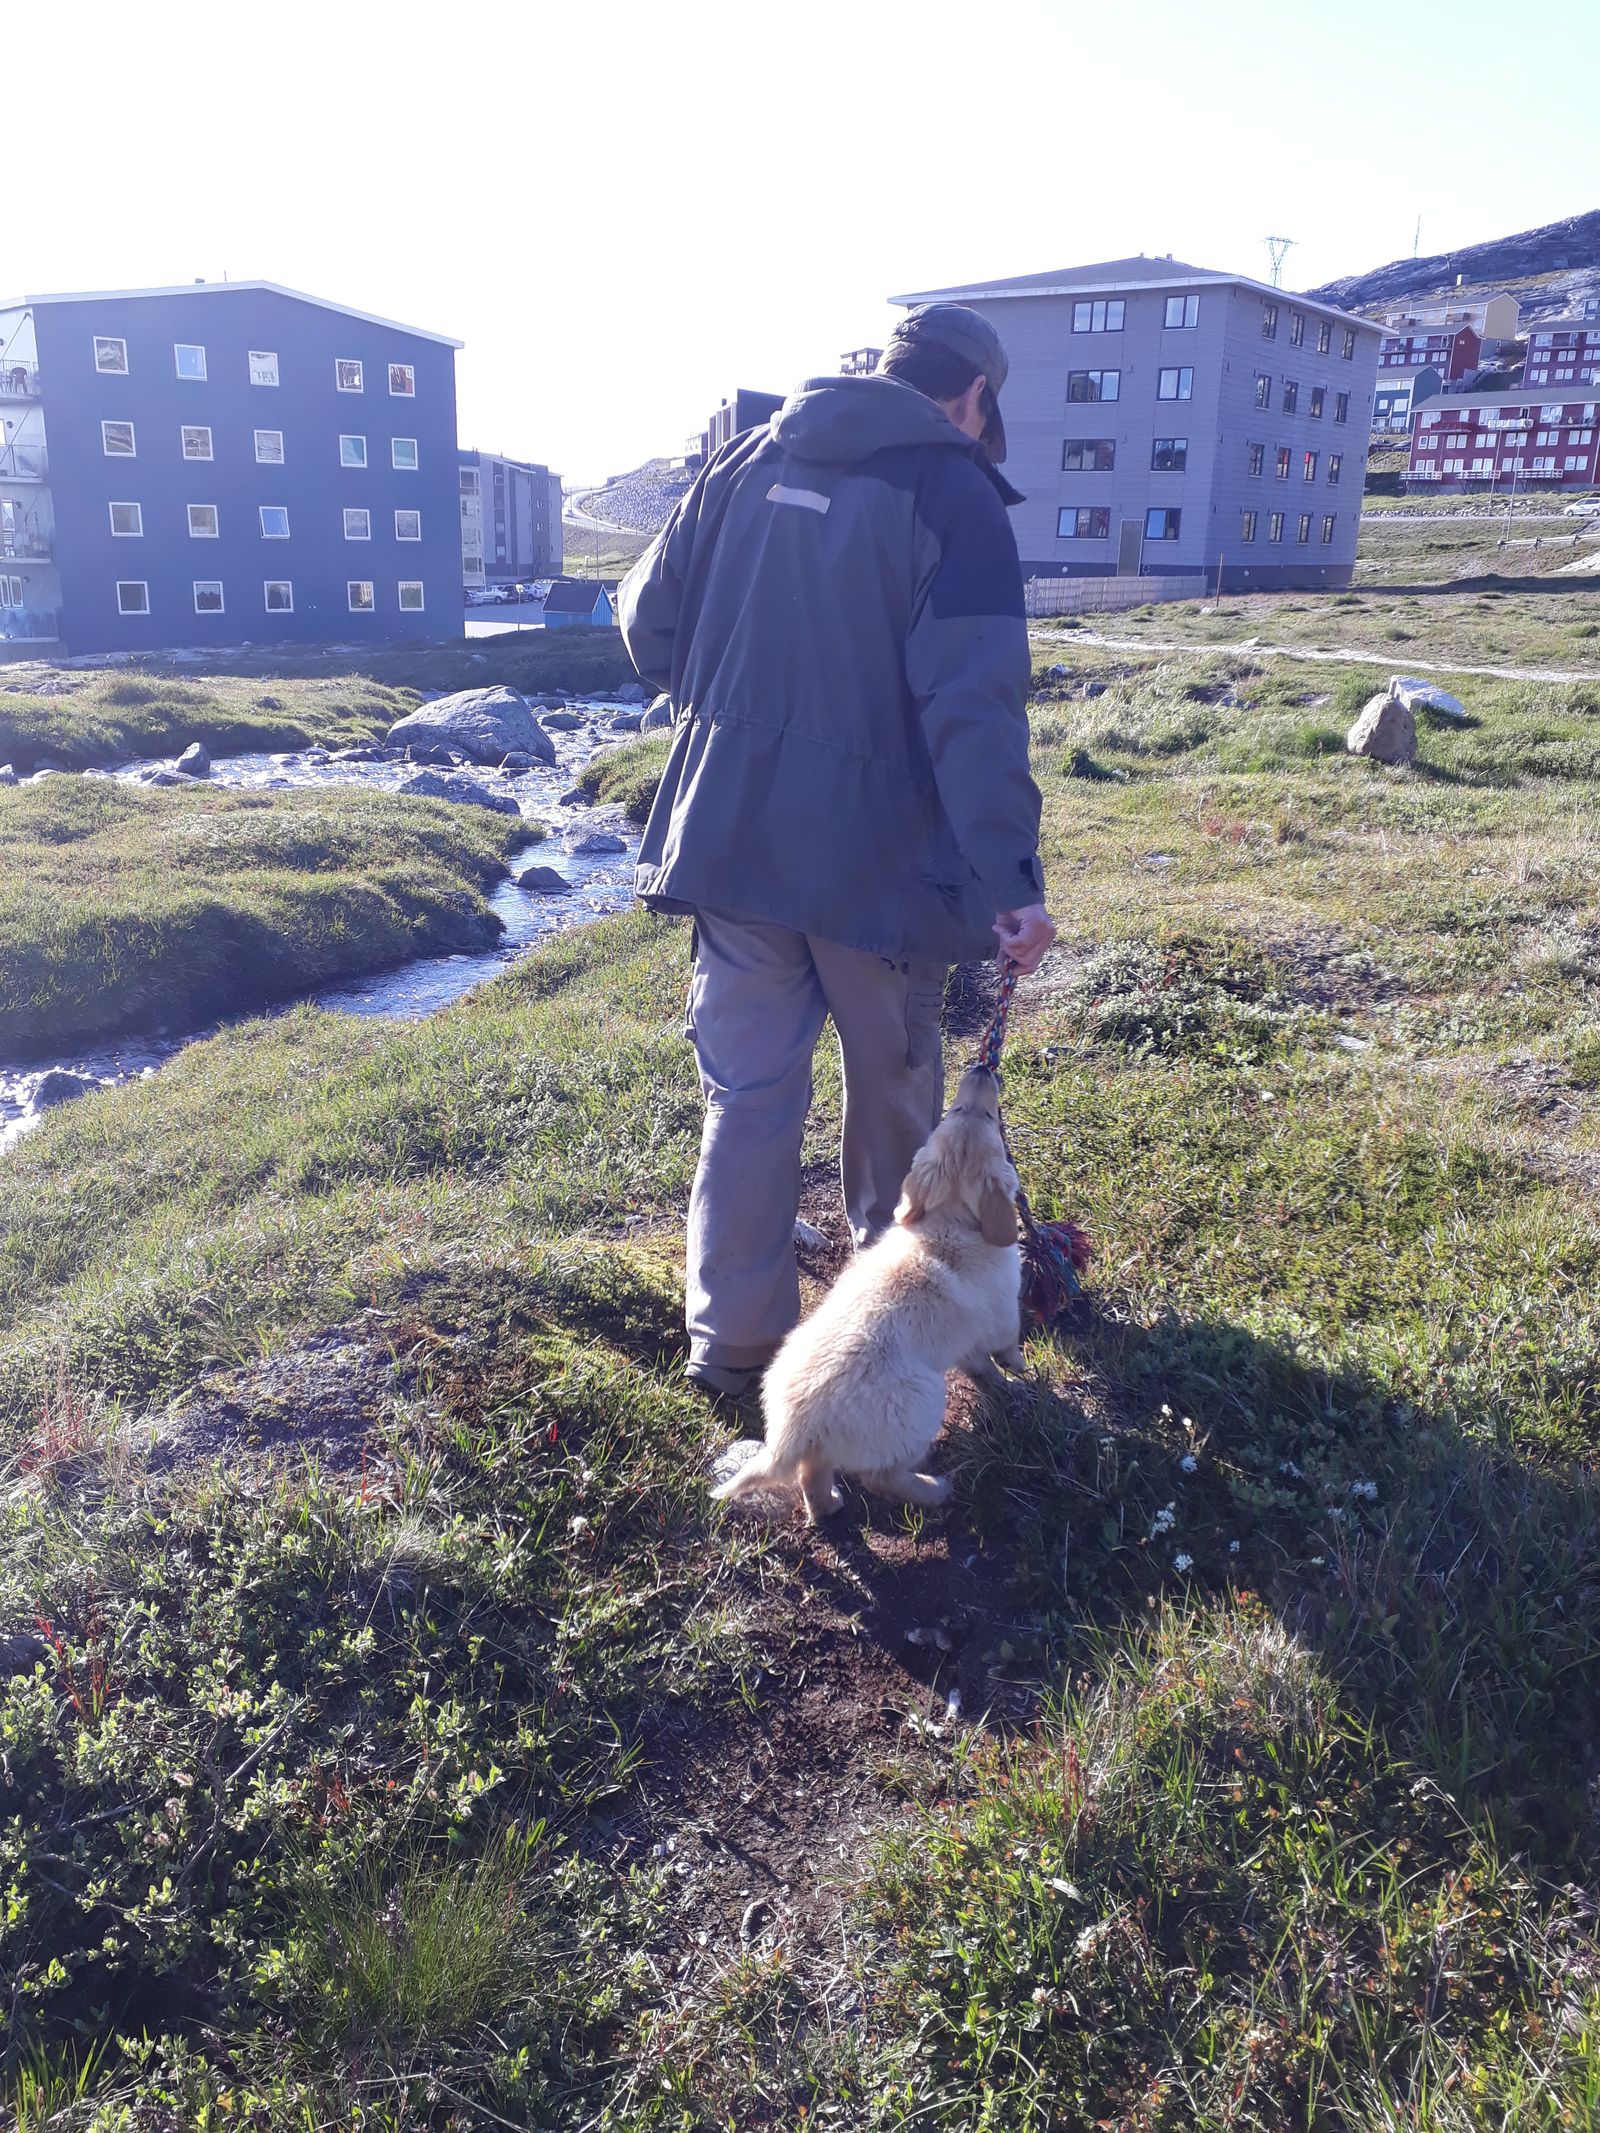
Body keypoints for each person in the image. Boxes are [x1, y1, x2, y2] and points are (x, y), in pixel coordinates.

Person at [617, 304, 1056, 1402]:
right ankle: (893, 1344)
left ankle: (735, 1348)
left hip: (728, 840)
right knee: (897, 1105)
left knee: (748, 1100)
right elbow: (974, 710)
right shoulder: (953, 491)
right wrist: (1013, 881)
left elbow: (646, 623)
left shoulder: (743, 460)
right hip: (881, 873)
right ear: (974, 396)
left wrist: (732, 706)